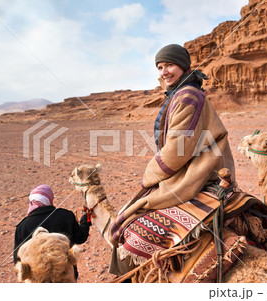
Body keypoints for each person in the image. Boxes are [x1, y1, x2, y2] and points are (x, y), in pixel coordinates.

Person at [109, 44, 236, 275]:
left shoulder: (187, 95)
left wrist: (149, 176)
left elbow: (179, 147)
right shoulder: (182, 92)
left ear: (183, 66)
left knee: (130, 223)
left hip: (200, 171)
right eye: (159, 67)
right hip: (192, 167)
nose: (164, 72)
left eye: (169, 65)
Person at [14, 184, 91, 279]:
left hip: (38, 280)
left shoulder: (22, 227)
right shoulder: (66, 215)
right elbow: (81, 237)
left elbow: (18, 263)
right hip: (67, 276)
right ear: (50, 199)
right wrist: (85, 219)